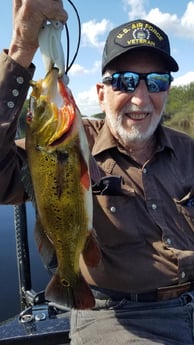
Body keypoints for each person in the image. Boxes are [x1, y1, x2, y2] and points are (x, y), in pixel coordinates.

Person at [1, 1, 194, 344]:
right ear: (100, 93)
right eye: (126, 81)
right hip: (121, 316)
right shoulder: (62, 144)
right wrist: (21, 50)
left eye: (157, 81)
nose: (140, 97)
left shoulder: (189, 150)